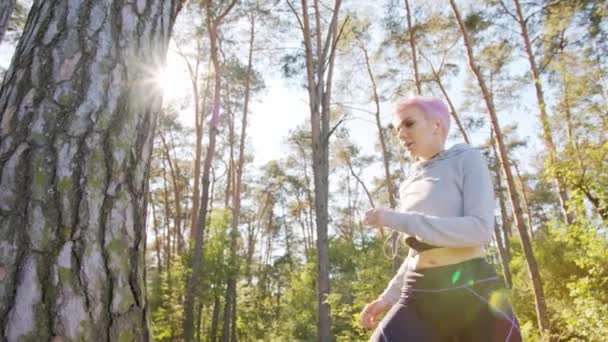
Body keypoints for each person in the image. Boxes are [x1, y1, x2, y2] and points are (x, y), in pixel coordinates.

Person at [360, 96, 522, 341]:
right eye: (397, 129)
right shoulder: (408, 183)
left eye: (409, 124)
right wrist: (386, 298)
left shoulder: (466, 158)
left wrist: (394, 219)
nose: (401, 134)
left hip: (471, 289)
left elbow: (479, 229)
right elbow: (417, 251)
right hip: (419, 290)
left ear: (436, 125)